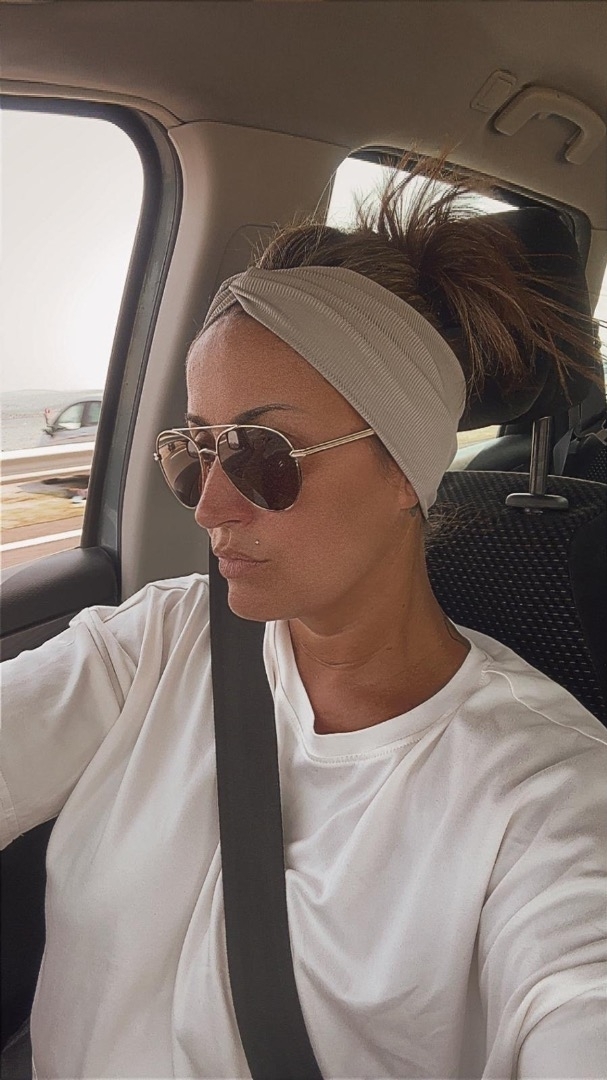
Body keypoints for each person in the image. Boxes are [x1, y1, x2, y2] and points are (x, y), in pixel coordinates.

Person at [1, 158, 605, 1079]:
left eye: (261, 453)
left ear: (404, 466)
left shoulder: (542, 792)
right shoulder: (154, 643)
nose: (209, 506)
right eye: (194, 451)